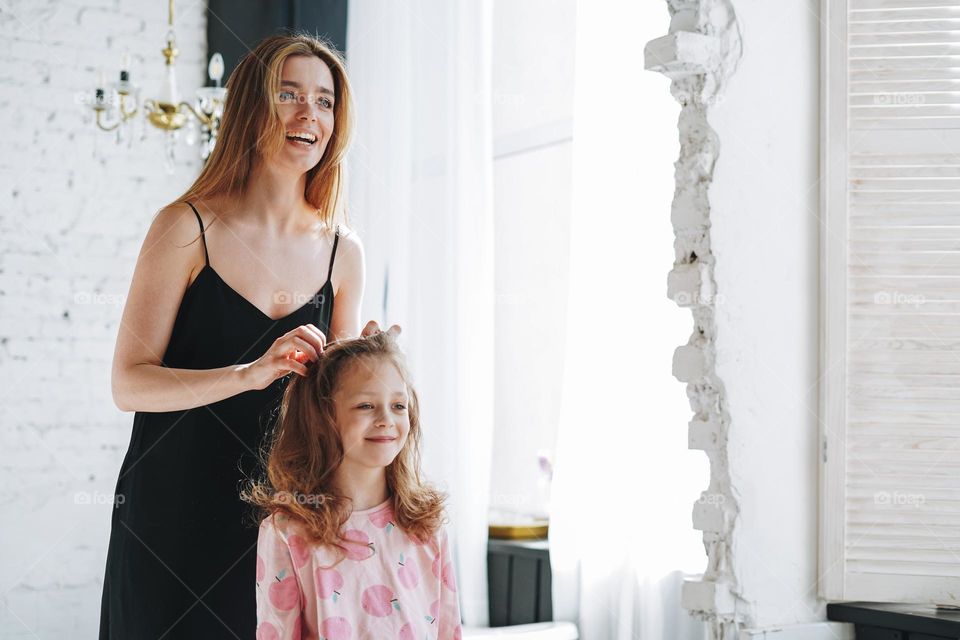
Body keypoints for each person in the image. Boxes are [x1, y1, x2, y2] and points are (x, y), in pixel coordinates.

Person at [99, 32, 398, 639]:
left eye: (323, 100)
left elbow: (332, 413)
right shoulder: (186, 227)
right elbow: (129, 384)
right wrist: (249, 373)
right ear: (250, 110)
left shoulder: (344, 252)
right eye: (287, 94)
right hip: (171, 508)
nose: (307, 114)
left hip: (283, 518)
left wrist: (370, 368)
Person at [243, 330, 462, 640]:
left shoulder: (427, 523)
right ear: (322, 419)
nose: (387, 419)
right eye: (366, 406)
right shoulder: (287, 530)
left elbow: (448, 630)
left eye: (399, 405)